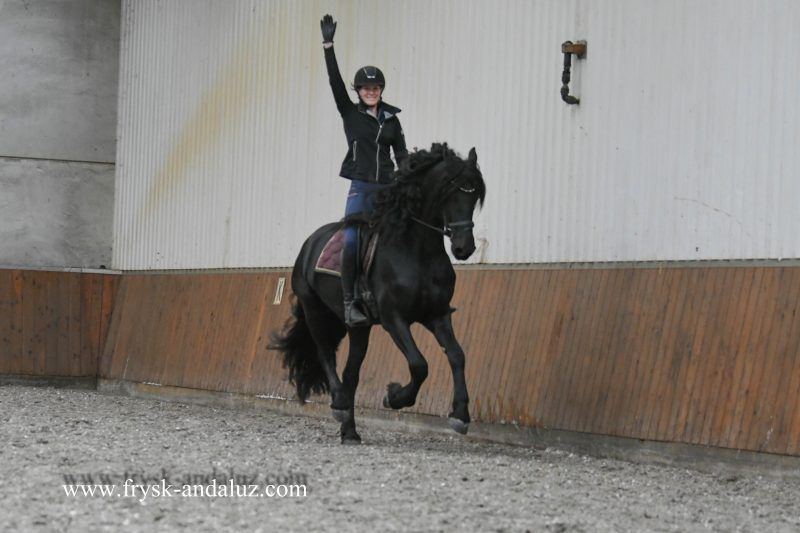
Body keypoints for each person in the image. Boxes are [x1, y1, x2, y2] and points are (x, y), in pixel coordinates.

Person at [320, 14, 409, 327]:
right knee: (353, 240)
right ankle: (349, 303)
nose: (371, 91)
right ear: (358, 91)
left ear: (381, 90)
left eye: (375, 87)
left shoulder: (392, 120)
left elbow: (401, 153)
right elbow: (334, 81)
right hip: (361, 188)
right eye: (365, 88)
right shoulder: (349, 113)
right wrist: (328, 46)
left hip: (387, 188)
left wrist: (406, 178)